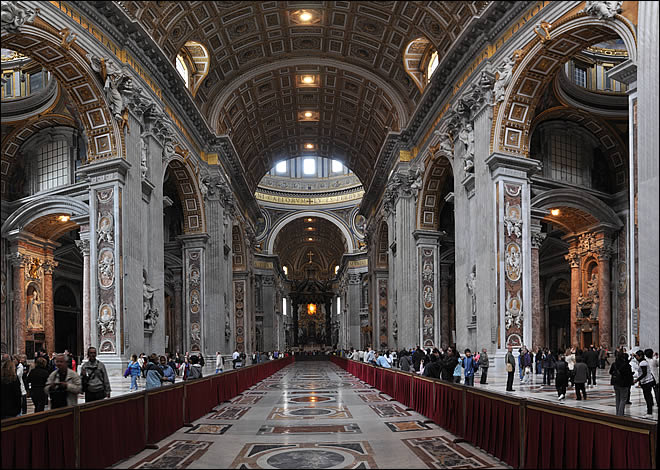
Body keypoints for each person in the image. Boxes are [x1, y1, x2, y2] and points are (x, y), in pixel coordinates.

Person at [609, 351, 634, 416]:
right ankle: (620, 414)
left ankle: (618, 413)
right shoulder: (627, 365)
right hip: (624, 383)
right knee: (623, 399)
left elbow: (610, 372)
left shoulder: (614, 364)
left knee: (617, 398)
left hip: (615, 383)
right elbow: (629, 375)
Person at [634, 350, 655, 415]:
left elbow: (644, 373)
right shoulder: (642, 362)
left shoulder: (643, 363)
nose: (636, 357)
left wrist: (637, 380)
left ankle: (649, 412)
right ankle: (650, 409)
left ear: (640, 356)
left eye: (637, 356)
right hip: (646, 381)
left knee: (647, 397)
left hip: (647, 381)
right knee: (648, 396)